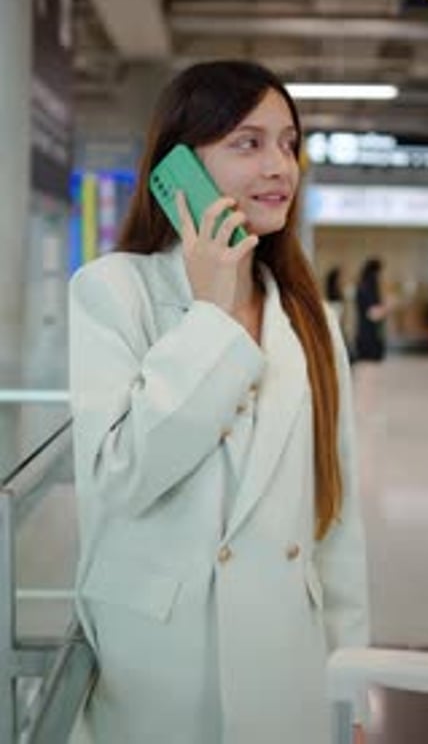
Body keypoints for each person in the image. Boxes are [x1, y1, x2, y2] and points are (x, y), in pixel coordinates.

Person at [69, 60, 370, 744]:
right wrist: (210, 311)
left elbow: (337, 520)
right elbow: (123, 476)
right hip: (161, 667)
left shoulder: (308, 317)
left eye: (289, 143)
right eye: (248, 142)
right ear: (181, 166)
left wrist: (350, 691)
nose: (280, 167)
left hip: (286, 663)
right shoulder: (114, 291)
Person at [354, 258, 390, 362]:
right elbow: (372, 314)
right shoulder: (366, 288)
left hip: (370, 339)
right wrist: (387, 308)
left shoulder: (366, 286)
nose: (381, 276)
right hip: (369, 341)